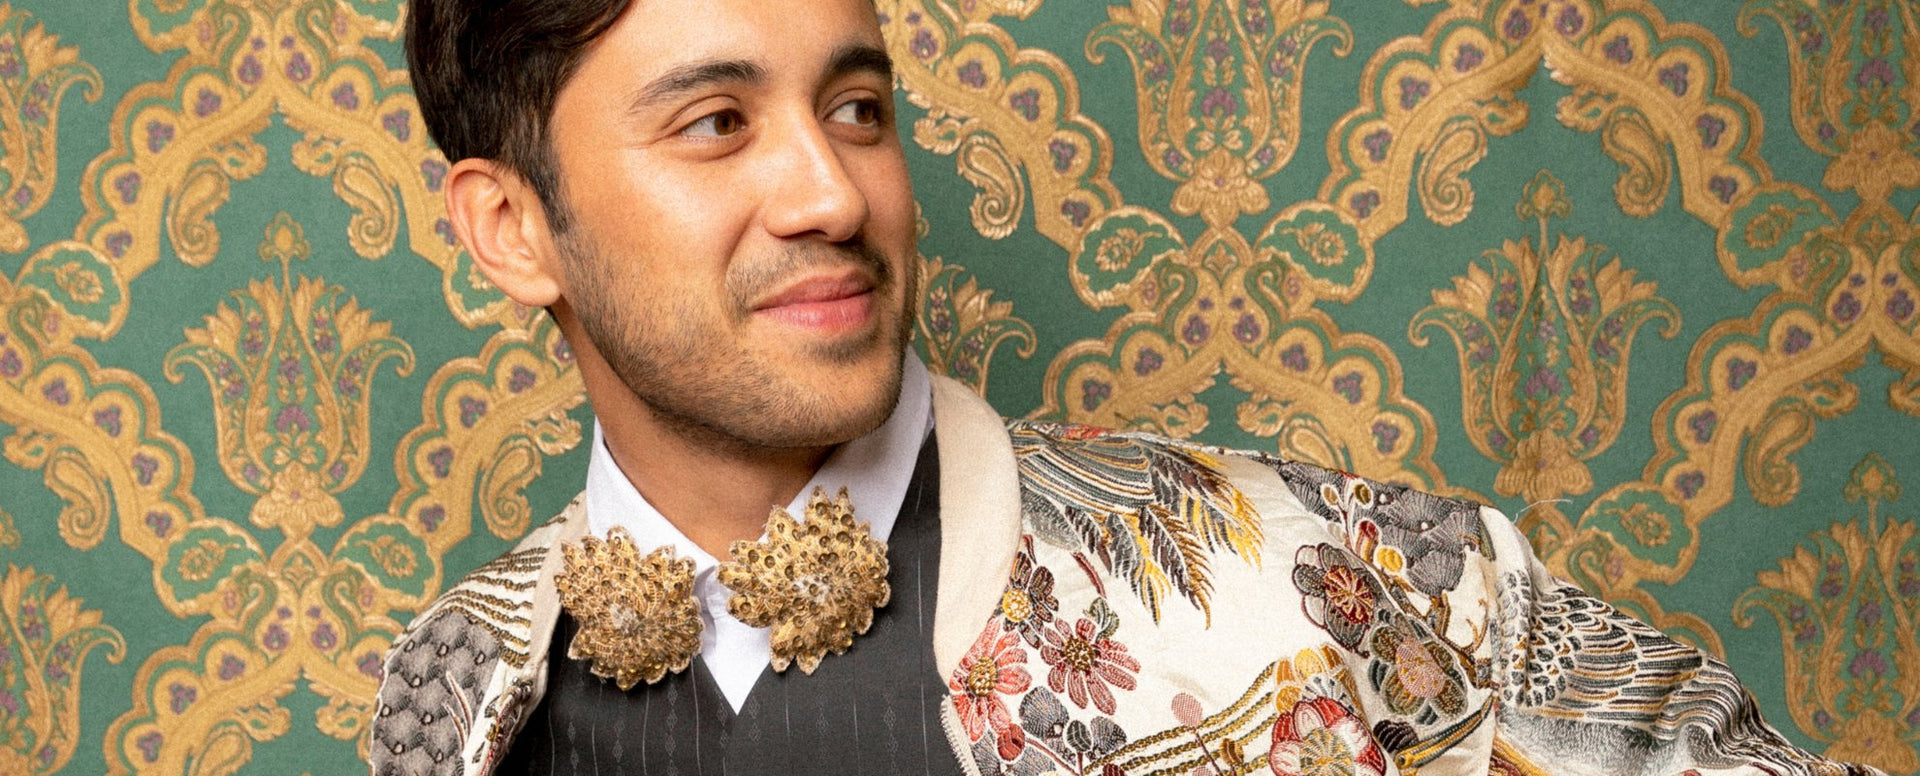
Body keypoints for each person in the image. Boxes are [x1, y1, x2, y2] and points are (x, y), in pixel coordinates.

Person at [371, 0, 1881, 774]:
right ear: (513, 230)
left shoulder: (1362, 582)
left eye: (856, 105)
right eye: (715, 122)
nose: (832, 189)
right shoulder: (449, 690)